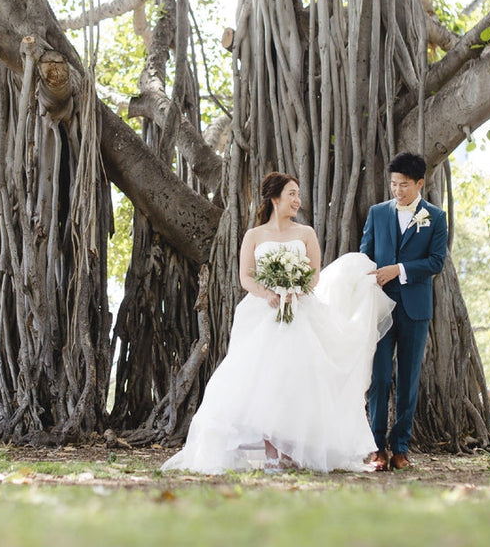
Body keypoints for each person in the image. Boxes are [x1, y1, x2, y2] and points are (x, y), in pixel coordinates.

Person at [162, 172, 395, 474]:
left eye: (298, 194)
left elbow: (314, 274)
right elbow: (246, 276)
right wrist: (268, 293)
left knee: (299, 379)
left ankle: (293, 449)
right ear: (274, 198)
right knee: (259, 378)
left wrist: (297, 288)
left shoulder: (306, 233)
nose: (297, 200)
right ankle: (263, 451)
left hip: (301, 310)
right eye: (292, 194)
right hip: (262, 312)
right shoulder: (254, 236)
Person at [360, 152, 448, 471]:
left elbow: (436, 262)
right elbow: (365, 255)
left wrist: (399, 269)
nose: (398, 191)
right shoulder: (377, 213)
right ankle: (376, 448)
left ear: (420, 183)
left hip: (415, 309)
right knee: (380, 377)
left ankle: (400, 448)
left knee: (408, 379)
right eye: (394, 184)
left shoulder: (435, 217)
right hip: (381, 308)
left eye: (405, 185)